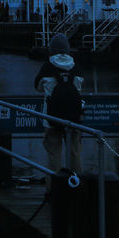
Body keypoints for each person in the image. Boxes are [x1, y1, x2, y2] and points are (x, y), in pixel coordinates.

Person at [34, 33, 84, 190]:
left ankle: (54, 189)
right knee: (75, 153)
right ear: (68, 50)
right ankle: (77, 186)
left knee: (53, 154)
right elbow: (81, 86)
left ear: (51, 50)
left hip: (51, 119)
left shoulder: (47, 67)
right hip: (74, 118)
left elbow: (38, 87)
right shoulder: (76, 67)